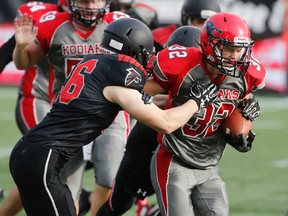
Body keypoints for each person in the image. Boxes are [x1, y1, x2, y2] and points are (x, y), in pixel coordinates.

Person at [9, 17, 218, 216]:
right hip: (42, 158)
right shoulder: (118, 77)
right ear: (136, 51)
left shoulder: (96, 64)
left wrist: (178, 101)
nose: (149, 60)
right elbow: (165, 123)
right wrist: (196, 102)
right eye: (146, 54)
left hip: (31, 153)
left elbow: (144, 103)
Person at [12, 0, 133, 215]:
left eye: (96, 0)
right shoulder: (53, 25)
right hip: (70, 116)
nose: (90, 6)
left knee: (109, 177)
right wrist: (21, 46)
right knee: (67, 184)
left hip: (111, 112)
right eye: (84, 0)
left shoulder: (119, 24)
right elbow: (24, 63)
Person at [148, 12, 265, 216]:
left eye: (240, 50)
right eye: (229, 49)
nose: (235, 56)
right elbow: (140, 95)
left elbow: (240, 101)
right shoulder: (183, 66)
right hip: (174, 160)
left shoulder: (247, 76)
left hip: (209, 166)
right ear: (209, 45)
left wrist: (241, 130)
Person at [96, 26, 201, 216]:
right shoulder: (160, 68)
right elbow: (141, 96)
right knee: (119, 203)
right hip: (149, 142)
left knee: (187, 203)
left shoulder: (213, 72)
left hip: (186, 148)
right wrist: (187, 103)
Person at [0, 1, 68, 215]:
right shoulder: (45, 19)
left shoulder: (108, 21)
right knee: (47, 167)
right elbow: (6, 55)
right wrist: (21, 46)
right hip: (38, 98)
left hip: (75, 108)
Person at [153, 0, 221, 53]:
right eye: (200, 21)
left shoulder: (221, 44)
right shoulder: (160, 37)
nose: (205, 27)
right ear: (186, 20)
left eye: (210, 23)